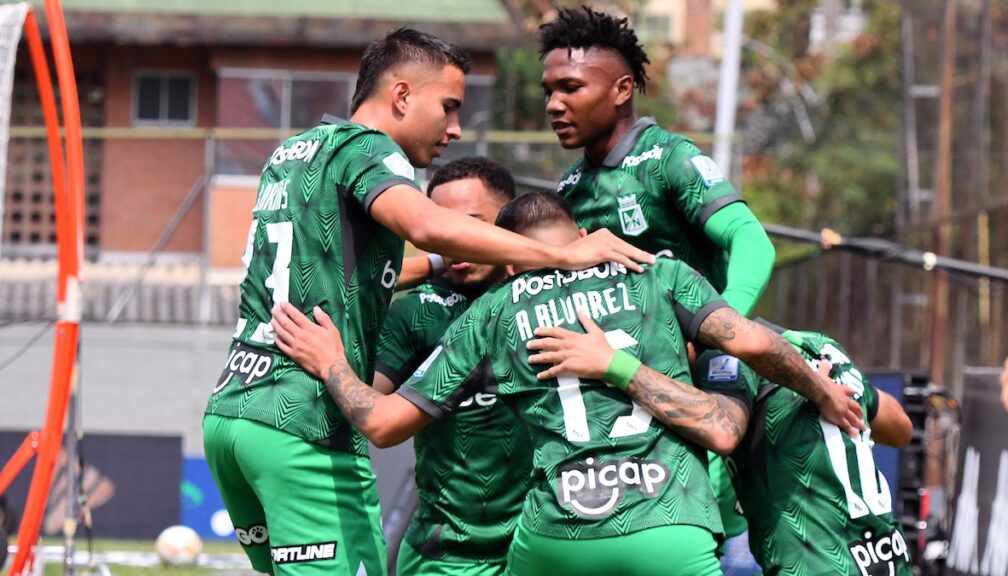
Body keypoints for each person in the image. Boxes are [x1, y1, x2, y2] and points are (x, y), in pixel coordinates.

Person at [202, 29, 654, 575]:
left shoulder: (292, 154)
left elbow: (347, 269)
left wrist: (442, 264)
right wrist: (559, 255)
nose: (455, 128)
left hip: (232, 413)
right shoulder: (369, 149)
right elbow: (422, 223)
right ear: (400, 97)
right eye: (448, 107)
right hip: (302, 419)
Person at [270, 192, 862, 576]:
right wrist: (822, 390)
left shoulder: (492, 310)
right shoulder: (659, 276)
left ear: (511, 257)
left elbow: (383, 423)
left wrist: (331, 365)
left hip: (559, 538)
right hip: (670, 527)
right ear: (583, 233)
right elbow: (755, 344)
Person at [539, 5, 778, 548]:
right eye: (549, 89)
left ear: (622, 89)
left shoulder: (667, 158)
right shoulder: (571, 187)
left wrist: (716, 329)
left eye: (571, 87)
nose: (554, 104)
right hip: (620, 388)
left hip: (697, 388)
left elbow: (753, 242)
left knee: (705, 526)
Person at [531, 316, 914, 575]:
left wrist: (613, 364)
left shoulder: (724, 360)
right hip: (890, 555)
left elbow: (721, 429)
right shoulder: (820, 347)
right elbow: (901, 428)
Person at [373, 157, 532, 575]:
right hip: (443, 559)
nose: (454, 239)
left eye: (469, 224)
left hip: (539, 549)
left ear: (508, 222)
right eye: (441, 227)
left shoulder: (551, 299)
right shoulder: (417, 313)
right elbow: (369, 406)